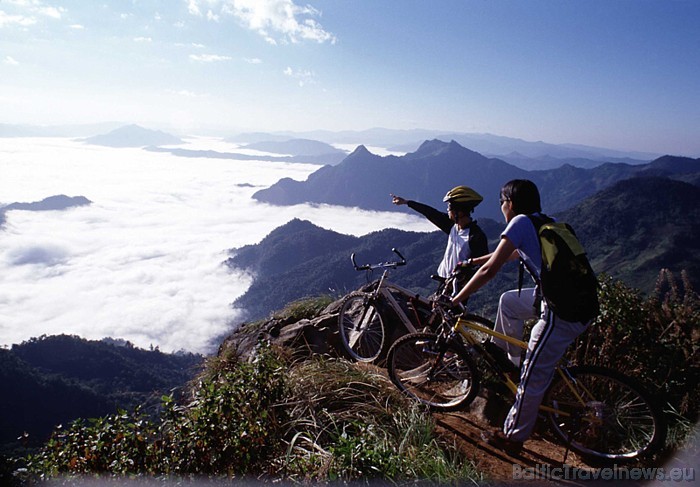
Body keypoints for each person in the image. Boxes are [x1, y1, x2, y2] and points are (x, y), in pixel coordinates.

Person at [450, 179, 591, 456]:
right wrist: (470, 262)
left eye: (502, 202)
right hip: (575, 300)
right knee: (509, 301)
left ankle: (512, 438)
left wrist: (454, 299)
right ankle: (509, 359)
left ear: (510, 203)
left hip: (561, 312)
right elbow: (511, 253)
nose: (501, 208)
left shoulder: (519, 223)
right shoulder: (542, 221)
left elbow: (491, 271)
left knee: (532, 377)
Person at [391, 186, 488, 281]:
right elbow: (430, 212)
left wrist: (462, 281)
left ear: (459, 211)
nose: (447, 210)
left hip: (457, 287)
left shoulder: (475, 236)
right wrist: (407, 202)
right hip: (442, 281)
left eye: (450, 207)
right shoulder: (453, 227)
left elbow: (481, 267)